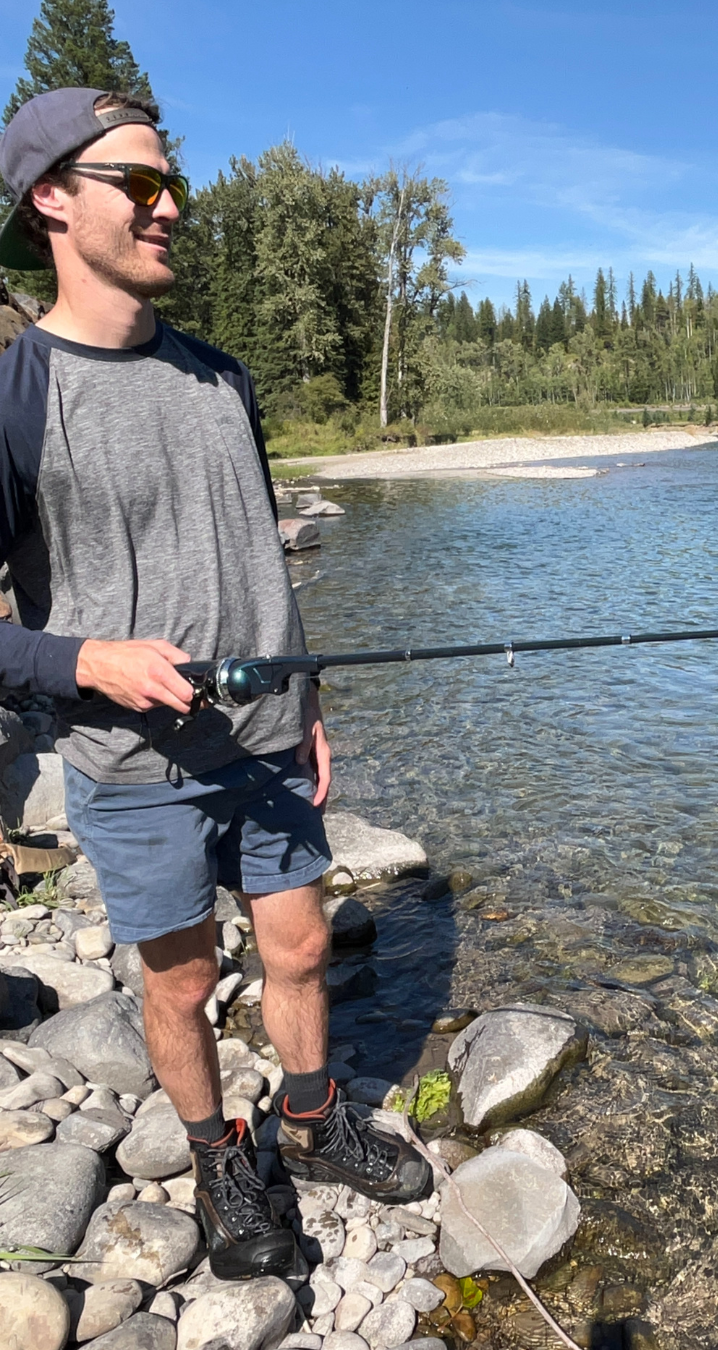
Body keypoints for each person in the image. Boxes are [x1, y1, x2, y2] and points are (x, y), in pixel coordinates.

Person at [0, 87, 430, 1282]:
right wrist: (84, 659)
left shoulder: (222, 380)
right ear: (50, 198)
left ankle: (310, 1117)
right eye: (138, 185)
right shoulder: (17, 397)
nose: (169, 206)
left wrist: (314, 702)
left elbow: (256, 555)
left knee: (297, 949)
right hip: (134, 773)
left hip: (273, 743)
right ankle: (213, 1157)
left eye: (167, 181)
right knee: (182, 985)